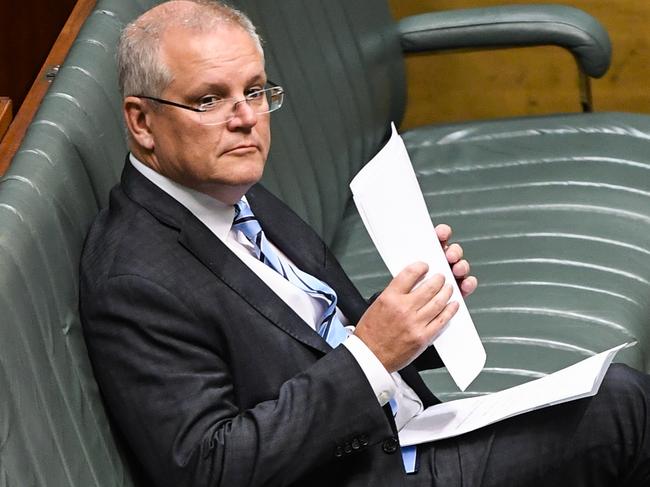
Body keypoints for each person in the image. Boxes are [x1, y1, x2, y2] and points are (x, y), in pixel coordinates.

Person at [79, 1, 650, 486]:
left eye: (255, 91)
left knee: (617, 396)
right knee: (624, 409)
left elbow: (306, 340)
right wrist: (375, 352)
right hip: (366, 470)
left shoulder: (224, 187)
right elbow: (212, 467)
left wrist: (418, 315)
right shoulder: (134, 278)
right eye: (210, 100)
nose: (246, 118)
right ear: (142, 122)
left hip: (404, 428)